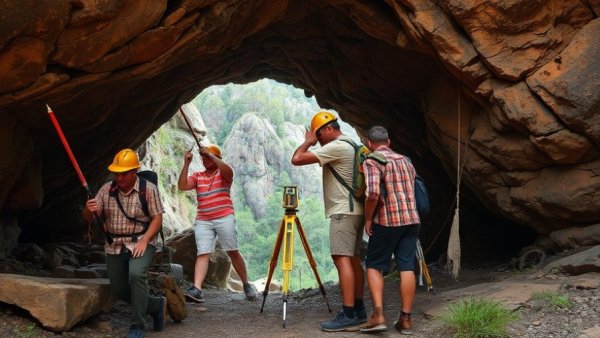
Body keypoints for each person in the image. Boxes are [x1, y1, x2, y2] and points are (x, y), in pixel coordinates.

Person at [291, 111, 367, 332]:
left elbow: (296, 159)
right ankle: (359, 309)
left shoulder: (337, 146)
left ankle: (349, 313)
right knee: (352, 259)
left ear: (330, 129)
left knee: (341, 259)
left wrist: (307, 141)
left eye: (319, 134)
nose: (319, 140)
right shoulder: (351, 144)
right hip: (356, 209)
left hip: (343, 211)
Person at [83, 148, 166, 338]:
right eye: (116, 174)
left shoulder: (148, 190)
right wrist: (88, 209)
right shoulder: (106, 190)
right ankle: (155, 305)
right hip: (115, 244)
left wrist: (145, 240)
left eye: (124, 174)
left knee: (137, 274)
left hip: (141, 241)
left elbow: (157, 219)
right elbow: (89, 218)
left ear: (134, 172)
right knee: (119, 289)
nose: (119, 178)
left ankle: (137, 326)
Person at [359, 126, 420, 335]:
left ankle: (378, 316)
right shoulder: (406, 161)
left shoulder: (372, 161)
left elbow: (374, 194)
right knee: (407, 267)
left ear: (369, 144)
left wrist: (368, 218)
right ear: (389, 141)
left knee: (374, 265)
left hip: (387, 221)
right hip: (411, 220)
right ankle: (406, 320)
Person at [178, 144, 257, 303]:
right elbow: (182, 186)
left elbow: (229, 171)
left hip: (224, 216)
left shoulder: (223, 174)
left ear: (217, 158)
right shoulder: (198, 176)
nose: (205, 160)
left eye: (208, 158)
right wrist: (186, 163)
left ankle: (246, 284)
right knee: (203, 252)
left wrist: (210, 154)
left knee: (232, 250)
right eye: (203, 158)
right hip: (203, 219)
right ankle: (197, 289)